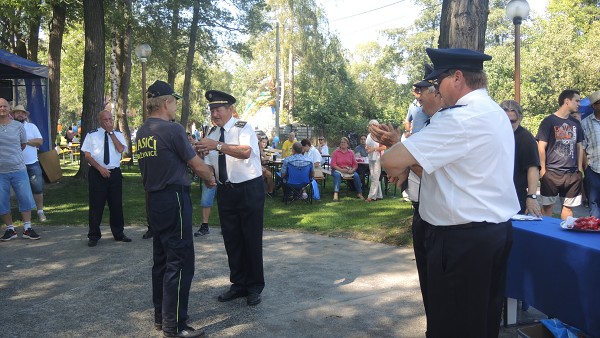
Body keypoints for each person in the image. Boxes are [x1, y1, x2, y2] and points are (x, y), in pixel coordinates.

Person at [381, 48, 519, 338]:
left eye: (438, 81)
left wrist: (400, 152)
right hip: (489, 234)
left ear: (457, 78)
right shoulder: (492, 111)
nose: (435, 89)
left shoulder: (459, 119)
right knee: (479, 323)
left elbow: (390, 161)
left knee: (451, 327)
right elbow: (449, 171)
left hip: (461, 241)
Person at [136, 80, 215, 337]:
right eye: (175, 101)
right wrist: (211, 179)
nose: (176, 106)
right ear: (166, 102)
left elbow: (165, 159)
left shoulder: (143, 131)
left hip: (155, 200)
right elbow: (198, 167)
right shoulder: (172, 129)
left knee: (161, 260)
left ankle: (162, 317)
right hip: (175, 200)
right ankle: (176, 326)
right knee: (180, 262)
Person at [195, 90, 265, 307]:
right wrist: (205, 169)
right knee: (232, 239)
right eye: (212, 110)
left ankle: (254, 286)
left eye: (218, 109)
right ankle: (238, 284)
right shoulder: (213, 134)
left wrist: (216, 146)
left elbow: (245, 152)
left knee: (250, 239)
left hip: (248, 189)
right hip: (226, 191)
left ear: (230, 109)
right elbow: (212, 164)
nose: (214, 114)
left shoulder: (243, 127)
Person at [81, 109, 131, 247]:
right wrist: (100, 168)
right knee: (96, 205)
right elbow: (88, 156)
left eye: (110, 119)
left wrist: (111, 133)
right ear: (100, 121)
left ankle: (118, 233)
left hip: (114, 173)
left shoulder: (118, 135)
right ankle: (94, 235)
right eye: (106, 120)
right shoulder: (92, 135)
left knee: (116, 205)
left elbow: (121, 149)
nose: (109, 122)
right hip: (97, 173)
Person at [536, 89, 584, 220]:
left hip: (572, 174)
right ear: (567, 101)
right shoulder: (549, 121)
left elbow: (580, 146)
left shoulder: (576, 123)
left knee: (568, 209)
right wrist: (543, 170)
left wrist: (579, 170)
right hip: (552, 173)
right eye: (577, 100)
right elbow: (541, 146)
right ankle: (545, 236)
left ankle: (564, 237)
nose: (579, 104)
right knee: (547, 207)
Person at [0, 98, 39, 241]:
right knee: (1, 201)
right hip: (0, 172)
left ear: (9, 108)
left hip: (18, 169)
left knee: (25, 198)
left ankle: (27, 228)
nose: (2, 108)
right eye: (0, 106)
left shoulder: (18, 126)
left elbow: (22, 145)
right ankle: (10, 230)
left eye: (4, 106)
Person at [500, 100, 543, 217]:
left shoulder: (526, 139)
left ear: (520, 119)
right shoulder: (494, 134)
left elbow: (533, 168)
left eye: (512, 121)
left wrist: (531, 196)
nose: (508, 125)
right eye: (505, 120)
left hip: (516, 196)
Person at [12, 105, 47, 222]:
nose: (20, 115)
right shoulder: (10, 127)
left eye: (22, 113)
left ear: (26, 115)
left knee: (37, 189)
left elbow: (40, 141)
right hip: (16, 164)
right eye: (17, 113)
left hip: (32, 163)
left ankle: (40, 212)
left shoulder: (32, 127)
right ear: (13, 115)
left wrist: (25, 141)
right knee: (21, 190)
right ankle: (25, 214)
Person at [582, 90, 600, 217]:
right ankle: (594, 234)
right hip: (593, 168)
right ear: (593, 106)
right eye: (599, 103)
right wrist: (586, 167)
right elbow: (582, 147)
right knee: (593, 203)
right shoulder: (585, 122)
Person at [331, 136, 364, 201]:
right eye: (341, 142)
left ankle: (359, 193)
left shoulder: (351, 152)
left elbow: (355, 164)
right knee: (337, 175)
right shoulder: (336, 152)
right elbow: (333, 164)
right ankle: (336, 193)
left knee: (356, 175)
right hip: (338, 169)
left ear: (347, 144)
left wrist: (353, 170)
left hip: (349, 170)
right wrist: (341, 170)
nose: (342, 144)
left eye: (344, 142)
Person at [365, 121, 385, 202]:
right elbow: (366, 145)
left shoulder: (380, 136)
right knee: (373, 176)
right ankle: (379, 195)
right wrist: (367, 148)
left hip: (378, 158)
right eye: (370, 126)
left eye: (372, 126)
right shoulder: (369, 136)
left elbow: (384, 147)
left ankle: (371, 196)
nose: (371, 127)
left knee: (375, 177)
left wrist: (374, 149)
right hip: (370, 157)